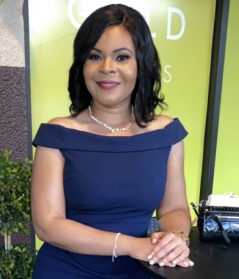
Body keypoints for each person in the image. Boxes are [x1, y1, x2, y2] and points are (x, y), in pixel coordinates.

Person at [31, 4, 193, 279]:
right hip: (67, 271)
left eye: (121, 57)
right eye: (95, 56)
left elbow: (174, 209)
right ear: (82, 66)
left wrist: (176, 240)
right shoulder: (57, 135)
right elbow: (48, 225)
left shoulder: (166, 134)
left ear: (142, 64)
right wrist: (131, 246)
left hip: (146, 268)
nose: (107, 68)